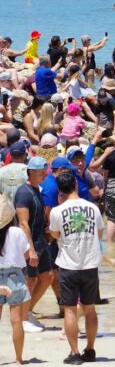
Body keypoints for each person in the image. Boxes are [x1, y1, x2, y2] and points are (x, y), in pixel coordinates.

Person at [48, 171, 103, 365]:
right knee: (90, 309)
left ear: (60, 191)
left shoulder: (56, 211)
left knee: (70, 310)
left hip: (68, 265)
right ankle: (90, 349)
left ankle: (74, 352)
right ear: (76, 186)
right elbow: (100, 233)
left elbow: (54, 234)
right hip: (90, 264)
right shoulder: (93, 208)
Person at [15, 156, 52, 334]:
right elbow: (23, 223)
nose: (44, 175)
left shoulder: (37, 189)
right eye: (41, 173)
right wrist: (30, 249)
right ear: (31, 172)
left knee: (47, 277)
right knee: (30, 280)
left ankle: (28, 312)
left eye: (45, 172)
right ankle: (22, 320)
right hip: (28, 244)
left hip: (40, 241)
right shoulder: (23, 192)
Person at [0, 194, 30, 364]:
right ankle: (18, 359)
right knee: (16, 320)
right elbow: (25, 255)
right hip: (14, 275)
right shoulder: (17, 232)